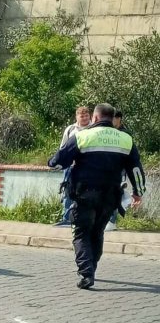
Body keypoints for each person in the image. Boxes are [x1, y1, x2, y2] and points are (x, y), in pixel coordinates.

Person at [49, 102, 145, 290]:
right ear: (112, 118)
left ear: (95, 118)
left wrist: (52, 162)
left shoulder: (82, 136)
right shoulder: (126, 139)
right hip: (110, 197)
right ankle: (92, 266)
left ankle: (86, 273)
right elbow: (136, 169)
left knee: (82, 233)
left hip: (85, 194)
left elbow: (58, 162)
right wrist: (138, 192)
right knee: (97, 232)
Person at [56, 105, 92, 225]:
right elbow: (63, 148)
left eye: (86, 115)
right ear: (77, 117)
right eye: (82, 116)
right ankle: (66, 218)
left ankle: (86, 218)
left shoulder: (94, 128)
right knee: (68, 191)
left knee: (87, 192)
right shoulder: (71, 129)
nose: (85, 118)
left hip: (89, 167)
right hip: (71, 167)